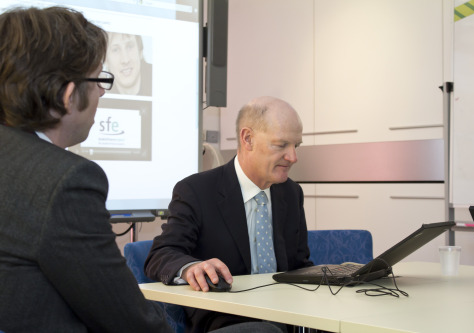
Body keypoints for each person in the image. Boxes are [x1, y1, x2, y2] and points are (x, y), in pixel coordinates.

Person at [0, 7, 280, 333]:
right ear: (67, 95)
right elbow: (127, 319)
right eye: (99, 81)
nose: (102, 93)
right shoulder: (64, 182)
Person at [145, 96, 314, 332]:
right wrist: (192, 267)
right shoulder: (196, 191)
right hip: (229, 320)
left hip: (287, 317)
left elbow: (299, 265)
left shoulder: (291, 193)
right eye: (281, 145)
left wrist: (337, 276)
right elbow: (161, 254)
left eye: (297, 146)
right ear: (248, 139)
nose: (293, 157)